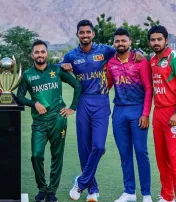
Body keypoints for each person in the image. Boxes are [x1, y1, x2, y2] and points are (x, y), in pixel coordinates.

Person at [61, 19, 143, 202]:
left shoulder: (105, 50)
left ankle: (80, 182)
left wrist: (139, 52)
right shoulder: (71, 55)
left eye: (88, 32)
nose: (85, 35)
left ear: (93, 34)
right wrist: (63, 66)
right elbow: (58, 67)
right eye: (81, 32)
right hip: (83, 102)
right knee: (84, 148)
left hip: (101, 101)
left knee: (98, 146)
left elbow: (125, 51)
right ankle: (93, 189)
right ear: (77, 35)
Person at [17, 40, 81, 202]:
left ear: (47, 53)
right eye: (36, 52)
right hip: (39, 123)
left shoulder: (56, 70)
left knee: (56, 156)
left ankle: (51, 191)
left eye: (42, 52)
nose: (40, 55)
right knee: (36, 155)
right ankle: (42, 188)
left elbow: (77, 85)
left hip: (58, 119)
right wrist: (34, 103)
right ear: (32, 55)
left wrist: (72, 107)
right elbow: (19, 97)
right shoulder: (27, 75)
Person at [106, 28, 153, 202]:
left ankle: (146, 194)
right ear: (114, 43)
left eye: (123, 41)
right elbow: (108, 84)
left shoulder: (140, 61)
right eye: (117, 41)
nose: (120, 44)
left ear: (130, 42)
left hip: (138, 110)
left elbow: (149, 88)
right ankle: (129, 192)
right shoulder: (111, 63)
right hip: (119, 111)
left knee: (141, 152)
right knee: (124, 153)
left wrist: (145, 113)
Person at [148, 25, 176, 202]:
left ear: (166, 40)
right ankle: (167, 195)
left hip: (173, 113)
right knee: (161, 156)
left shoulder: (173, 57)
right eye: (153, 39)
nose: (156, 42)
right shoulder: (152, 60)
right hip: (158, 114)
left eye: (159, 39)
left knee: (174, 156)